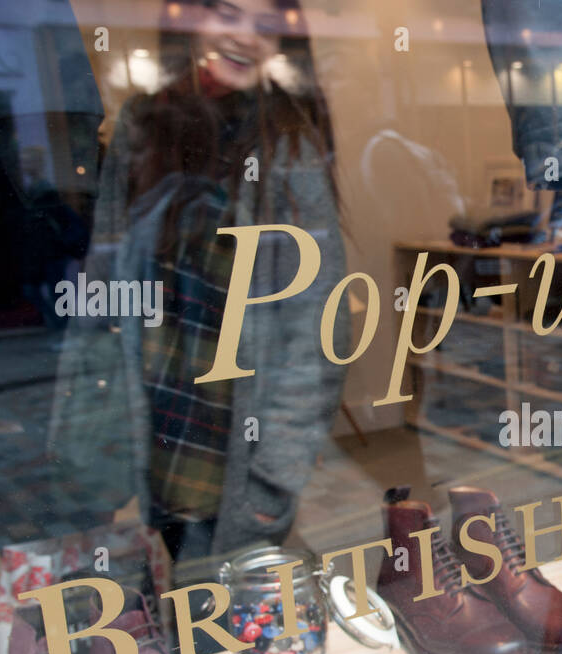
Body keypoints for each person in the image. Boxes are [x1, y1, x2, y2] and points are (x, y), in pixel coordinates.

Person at [49, 0, 349, 568]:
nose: (245, 38)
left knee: (217, 627)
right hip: (150, 431)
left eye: (265, 25)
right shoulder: (143, 125)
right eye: (227, 13)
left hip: (231, 448)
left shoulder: (287, 145)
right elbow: (102, 284)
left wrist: (274, 480)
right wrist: (80, 428)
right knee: (155, 617)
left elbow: (318, 328)